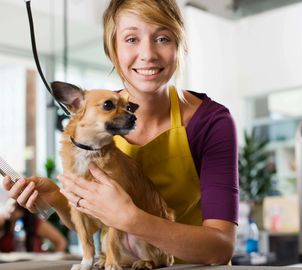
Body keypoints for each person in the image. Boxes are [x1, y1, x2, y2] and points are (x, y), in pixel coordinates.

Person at [3, 0, 238, 264]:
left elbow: (220, 248)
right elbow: (96, 224)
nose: (148, 54)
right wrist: (57, 199)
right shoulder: (94, 118)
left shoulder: (210, 121)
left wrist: (132, 219)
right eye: (131, 39)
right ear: (111, 48)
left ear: (179, 46)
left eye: (162, 38)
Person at [0, 202, 67, 252]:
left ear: (25, 212)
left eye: (18, 208)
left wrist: (53, 263)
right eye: (11, 204)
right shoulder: (2, 221)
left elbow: (60, 241)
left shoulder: (35, 224)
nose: (11, 210)